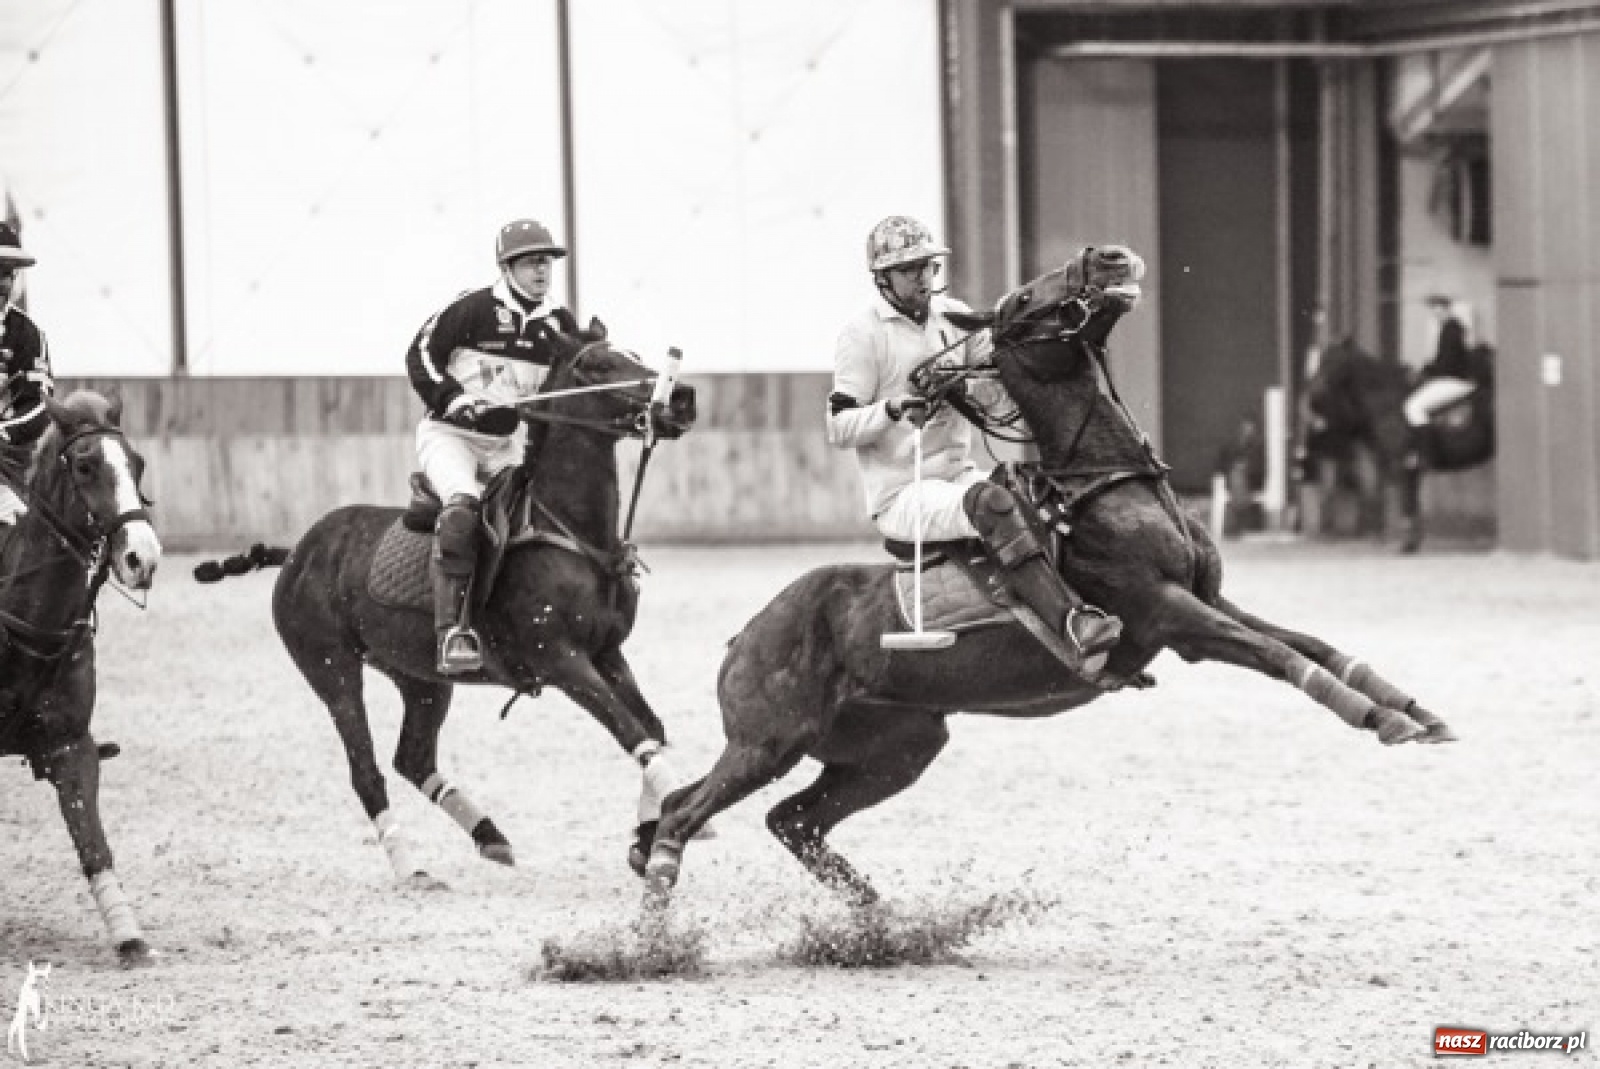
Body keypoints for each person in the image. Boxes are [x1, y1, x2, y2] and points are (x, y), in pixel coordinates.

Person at [826, 215, 1122, 676]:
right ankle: (1071, 625)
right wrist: (895, 409)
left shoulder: (952, 316)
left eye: (929, 267)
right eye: (911, 270)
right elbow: (838, 425)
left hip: (959, 475)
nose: (925, 279)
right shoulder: (862, 333)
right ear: (882, 278)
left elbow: (996, 383)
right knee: (993, 504)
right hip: (903, 494)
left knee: (1039, 498)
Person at [405, 218, 571, 674]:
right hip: (452, 438)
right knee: (462, 507)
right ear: (508, 267)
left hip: (507, 446)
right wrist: (454, 401)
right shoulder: (473, 309)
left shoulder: (557, 324)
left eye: (548, 263)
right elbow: (420, 354)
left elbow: (577, 378)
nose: (543, 271)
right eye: (533, 262)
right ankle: (451, 632)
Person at [0, 222, 53, 528]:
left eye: (8, 273)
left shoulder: (28, 334)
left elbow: (41, 405)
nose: (2, 283)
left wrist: (6, 432)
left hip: (5, 468)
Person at [1403, 294, 1483, 433]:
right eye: (1432, 308)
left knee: (1413, 407)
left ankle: (1427, 450)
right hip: (1453, 378)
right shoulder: (1450, 328)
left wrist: (1425, 373)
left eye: (1437, 308)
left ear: (1447, 309)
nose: (1435, 312)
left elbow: (1447, 362)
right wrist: (1426, 370)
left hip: (1454, 380)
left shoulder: (1451, 330)